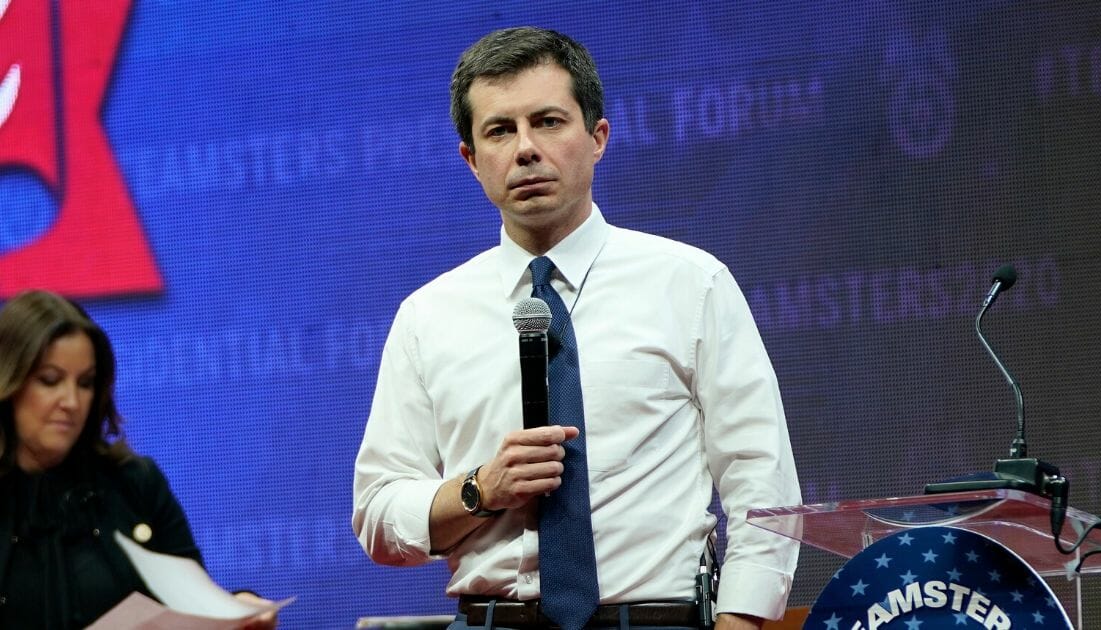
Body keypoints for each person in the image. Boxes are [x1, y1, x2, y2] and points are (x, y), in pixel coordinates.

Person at [353, 26, 800, 630]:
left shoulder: (690, 283)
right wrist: (480, 489)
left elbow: (763, 484)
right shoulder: (428, 316)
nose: (526, 149)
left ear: (597, 138)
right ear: (472, 160)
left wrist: (741, 620)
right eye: (500, 131)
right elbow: (379, 516)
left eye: (549, 122)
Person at [0, 290, 276, 629]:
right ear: (9, 382)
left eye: (85, 383)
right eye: (50, 380)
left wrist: (238, 607)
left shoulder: (134, 483)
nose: (71, 401)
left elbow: (197, 608)